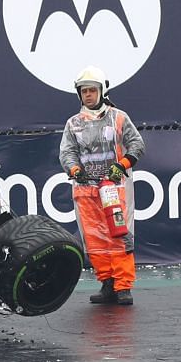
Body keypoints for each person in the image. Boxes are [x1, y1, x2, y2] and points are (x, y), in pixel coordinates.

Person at [61, 66, 144, 306]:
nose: (88, 95)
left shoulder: (118, 117)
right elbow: (67, 152)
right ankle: (107, 282)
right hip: (85, 189)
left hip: (114, 188)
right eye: (84, 91)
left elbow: (137, 144)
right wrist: (75, 170)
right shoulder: (73, 123)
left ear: (101, 91)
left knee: (118, 235)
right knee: (94, 238)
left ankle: (123, 285)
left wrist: (123, 165)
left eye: (92, 90)